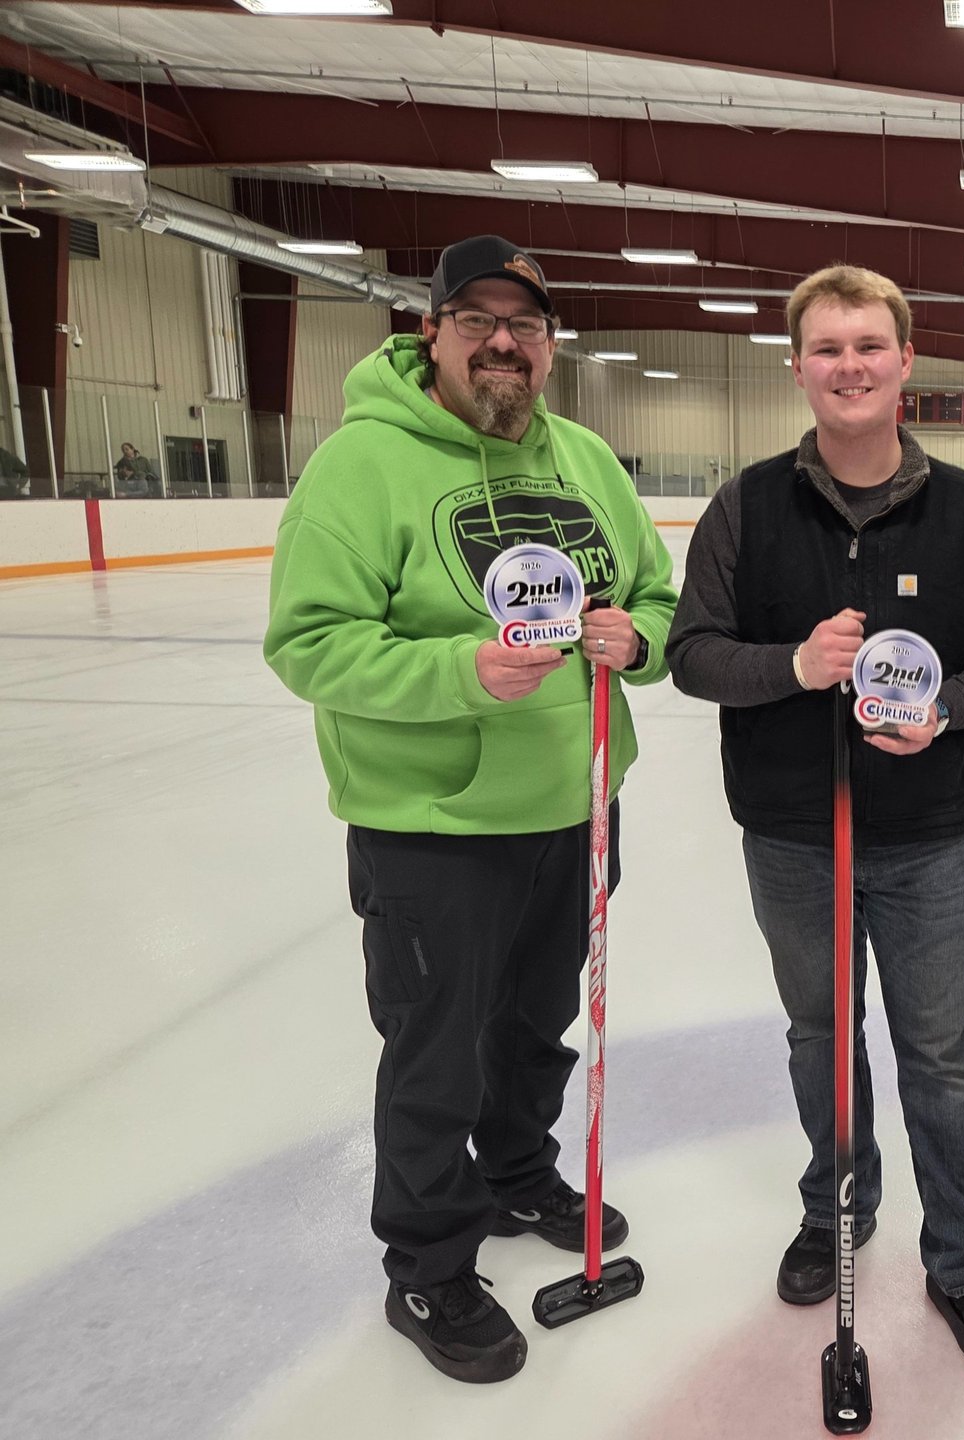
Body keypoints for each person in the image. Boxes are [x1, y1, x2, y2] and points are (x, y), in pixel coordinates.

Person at [263, 235, 678, 1384]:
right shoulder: (361, 467)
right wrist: (458, 674)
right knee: (435, 1046)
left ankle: (515, 1170)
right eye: (479, 319)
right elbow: (306, 643)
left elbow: (653, 590)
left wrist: (635, 636)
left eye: (527, 324)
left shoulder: (588, 458)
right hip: (433, 826)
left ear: (549, 346)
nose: (505, 341)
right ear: (431, 333)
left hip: (576, 806)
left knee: (536, 1025)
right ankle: (430, 1263)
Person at [667, 265, 964, 1380]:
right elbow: (691, 653)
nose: (849, 366)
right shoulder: (746, 504)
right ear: (798, 368)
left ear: (903, 363)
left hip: (926, 835)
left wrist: (946, 710)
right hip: (792, 833)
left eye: (869, 346)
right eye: (827, 348)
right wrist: (790, 665)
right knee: (820, 1040)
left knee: (941, 1055)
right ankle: (839, 1202)